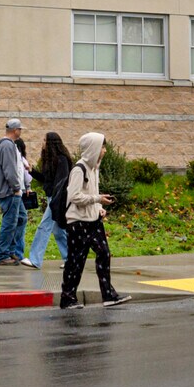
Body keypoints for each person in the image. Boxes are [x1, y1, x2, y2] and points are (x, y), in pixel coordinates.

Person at [59, 132, 130, 309]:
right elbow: (74, 197)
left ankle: (108, 295)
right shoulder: (79, 169)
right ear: (93, 149)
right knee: (76, 261)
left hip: (93, 220)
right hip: (78, 222)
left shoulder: (94, 169)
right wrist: (97, 200)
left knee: (104, 254)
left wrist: (99, 208)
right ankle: (67, 298)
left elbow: (92, 194)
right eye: (102, 147)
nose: (105, 151)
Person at [20, 131, 74, 270]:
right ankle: (71, 259)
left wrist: (55, 201)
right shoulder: (51, 160)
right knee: (57, 230)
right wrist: (32, 171)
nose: (42, 143)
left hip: (58, 199)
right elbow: (46, 179)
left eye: (44, 140)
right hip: (53, 198)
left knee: (44, 227)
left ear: (51, 143)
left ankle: (35, 259)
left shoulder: (62, 159)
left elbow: (62, 182)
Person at [0, 118, 30, 265]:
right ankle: (2, 255)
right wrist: (16, 188)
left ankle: (11, 250)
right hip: (10, 192)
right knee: (9, 223)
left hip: (12, 192)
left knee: (21, 218)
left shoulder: (8, 145)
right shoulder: (7, 146)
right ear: (15, 130)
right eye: (20, 129)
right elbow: (10, 170)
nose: (21, 131)